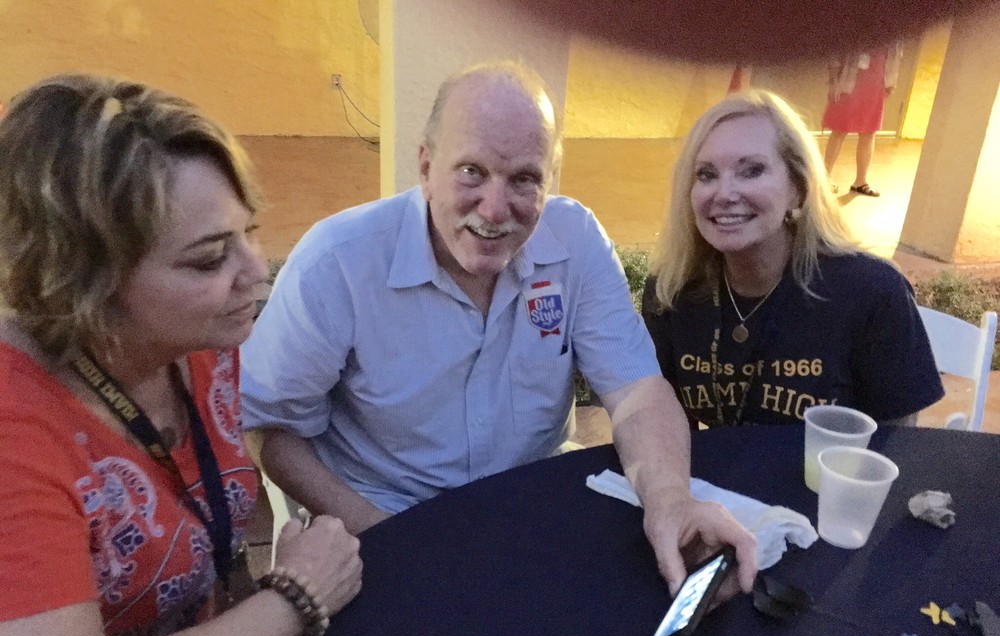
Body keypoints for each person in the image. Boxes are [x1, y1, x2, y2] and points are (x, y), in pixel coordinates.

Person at [240, 60, 757, 599]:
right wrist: (391, 535)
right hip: (381, 521)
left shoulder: (575, 240)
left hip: (528, 513)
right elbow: (269, 428)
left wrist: (671, 501)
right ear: (425, 166)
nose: (494, 209)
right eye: (471, 172)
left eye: (524, 179)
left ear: (550, 178)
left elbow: (637, 392)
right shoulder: (338, 262)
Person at [0, 74, 362, 636]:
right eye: (208, 260)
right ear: (84, 284)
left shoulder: (202, 340)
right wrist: (294, 597)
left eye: (248, 233)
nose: (255, 272)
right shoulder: (16, 434)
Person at [642, 90, 943, 429]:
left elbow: (896, 442)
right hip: (710, 467)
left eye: (752, 170)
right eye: (706, 174)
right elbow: (668, 428)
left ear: (798, 188)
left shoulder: (872, 292)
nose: (724, 194)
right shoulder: (671, 289)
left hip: (830, 466)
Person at [821, 43, 904, 196]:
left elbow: (895, 54)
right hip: (848, 82)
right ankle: (824, 178)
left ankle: (860, 182)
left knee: (869, 131)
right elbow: (836, 53)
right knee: (839, 129)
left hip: (877, 81)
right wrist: (834, 82)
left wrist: (891, 82)